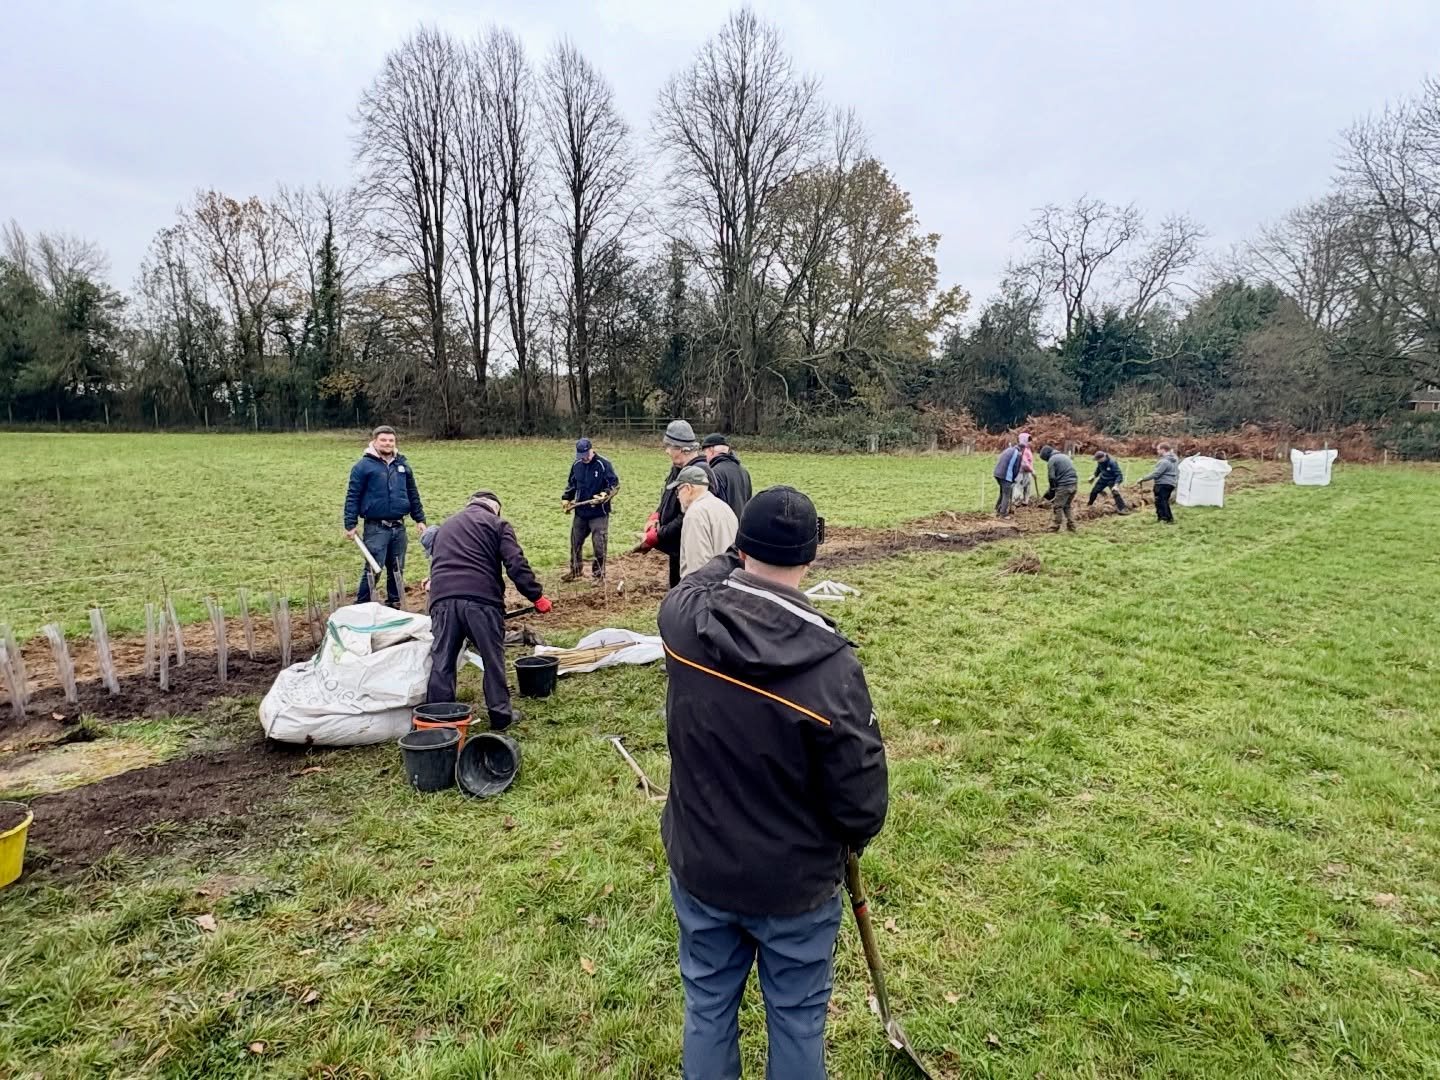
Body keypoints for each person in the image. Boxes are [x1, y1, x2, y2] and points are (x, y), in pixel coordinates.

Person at [658, 485, 889, 1080]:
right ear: (811, 557)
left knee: (707, 1008)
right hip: (794, 887)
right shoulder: (834, 670)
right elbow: (862, 802)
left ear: (739, 549)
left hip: (703, 863)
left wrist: (732, 554)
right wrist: (851, 841)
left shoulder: (683, 620)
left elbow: (702, 579)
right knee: (797, 1019)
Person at [424, 490, 551, 729]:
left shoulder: (447, 526)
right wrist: (536, 596)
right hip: (480, 600)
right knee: (492, 659)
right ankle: (501, 715)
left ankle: (439, 723)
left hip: (441, 599)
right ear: (495, 507)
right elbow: (515, 564)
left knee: (442, 661)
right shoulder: (497, 524)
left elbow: (437, 561)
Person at [343, 425, 427, 606]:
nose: (388, 444)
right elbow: (353, 495)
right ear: (374, 441)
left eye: (391, 440)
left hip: (399, 527)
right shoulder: (363, 466)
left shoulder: (402, 465)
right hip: (376, 527)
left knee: (397, 568)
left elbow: (412, 493)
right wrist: (350, 523)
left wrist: (419, 519)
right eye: (383, 440)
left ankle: (395, 603)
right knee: (374, 568)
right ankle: (362, 604)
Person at [643, 419, 721, 589]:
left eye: (670, 447)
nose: (667, 451)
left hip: (691, 551)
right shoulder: (677, 469)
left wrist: (659, 535)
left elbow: (689, 516)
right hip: (676, 549)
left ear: (683, 449)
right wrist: (656, 515)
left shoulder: (700, 474)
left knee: (686, 592)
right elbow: (668, 497)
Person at [562, 438, 620, 583]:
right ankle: (575, 570)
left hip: (599, 514)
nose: (584, 459)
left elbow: (614, 485)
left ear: (591, 450)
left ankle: (598, 575)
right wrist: (566, 498)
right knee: (575, 542)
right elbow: (572, 484)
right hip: (581, 512)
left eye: (585, 455)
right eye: (580, 456)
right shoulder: (577, 465)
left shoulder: (603, 464)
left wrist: (604, 495)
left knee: (599, 545)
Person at [670, 465, 739, 579]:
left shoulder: (694, 514)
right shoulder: (724, 507)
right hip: (728, 583)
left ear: (688, 488)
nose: (678, 497)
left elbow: (697, 567)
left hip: (708, 589)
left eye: (678, 491)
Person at [701, 433, 753, 520]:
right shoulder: (744, 472)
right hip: (741, 525)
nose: (704, 457)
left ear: (711, 450)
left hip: (725, 526)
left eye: (704, 452)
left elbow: (715, 505)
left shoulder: (714, 473)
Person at [1137, 442, 1180, 524]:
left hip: (1163, 484)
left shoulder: (1164, 461)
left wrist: (1143, 479)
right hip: (1170, 483)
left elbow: (1156, 473)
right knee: (1162, 501)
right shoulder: (1174, 459)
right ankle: (1163, 518)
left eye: (1158, 449)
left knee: (1161, 501)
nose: (1157, 451)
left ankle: (1166, 518)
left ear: (1163, 450)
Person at [1039, 445, 1079, 532]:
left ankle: (1054, 527)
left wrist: (1052, 490)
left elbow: (1052, 477)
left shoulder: (1052, 460)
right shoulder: (1065, 456)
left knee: (1057, 506)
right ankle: (1072, 526)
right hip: (1074, 484)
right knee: (1067, 506)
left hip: (1064, 485)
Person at [993, 442, 1021, 517]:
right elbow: (1016, 469)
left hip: (997, 473)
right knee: (1006, 494)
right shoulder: (1018, 454)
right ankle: (1003, 513)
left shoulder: (1008, 450)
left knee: (1002, 492)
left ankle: (997, 509)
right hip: (1005, 476)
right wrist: (1013, 479)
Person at [1013, 432, 1037, 506]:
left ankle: (1025, 501)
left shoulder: (1028, 450)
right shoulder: (1022, 450)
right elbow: (1024, 463)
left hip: (1027, 472)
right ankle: (1016, 501)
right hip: (1020, 471)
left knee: (1027, 486)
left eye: (1030, 441)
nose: (1030, 442)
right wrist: (1032, 470)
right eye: (1028, 440)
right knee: (1019, 486)